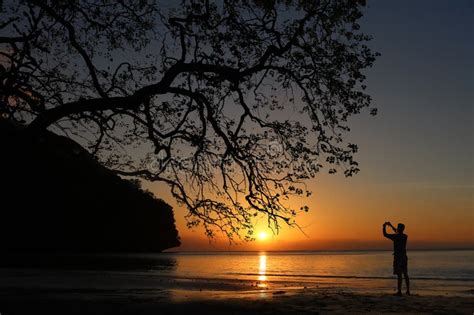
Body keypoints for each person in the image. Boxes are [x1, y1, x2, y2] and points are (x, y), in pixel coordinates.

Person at [383, 221, 410, 296]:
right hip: (404, 257)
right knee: (405, 274)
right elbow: (398, 232)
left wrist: (384, 226)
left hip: (398, 257)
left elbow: (385, 234)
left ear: (399, 229)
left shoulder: (395, 237)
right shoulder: (405, 236)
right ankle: (408, 291)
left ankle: (399, 291)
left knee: (399, 275)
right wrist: (391, 226)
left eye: (397, 227)